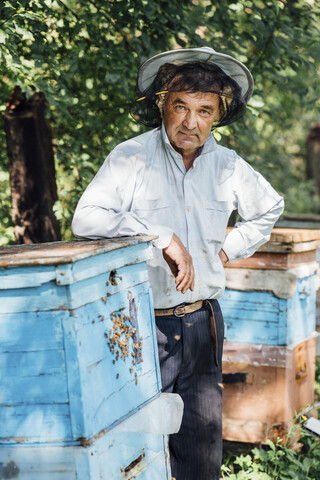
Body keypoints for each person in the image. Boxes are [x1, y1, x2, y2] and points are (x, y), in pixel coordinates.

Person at [72, 46, 284, 480]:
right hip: (143, 327)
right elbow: (85, 218)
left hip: (204, 323)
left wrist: (225, 251)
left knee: (201, 451)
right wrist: (161, 236)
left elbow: (269, 208)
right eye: (181, 107)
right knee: (136, 451)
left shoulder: (227, 165)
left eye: (204, 111)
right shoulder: (131, 156)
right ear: (162, 105)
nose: (191, 122)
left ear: (218, 115)